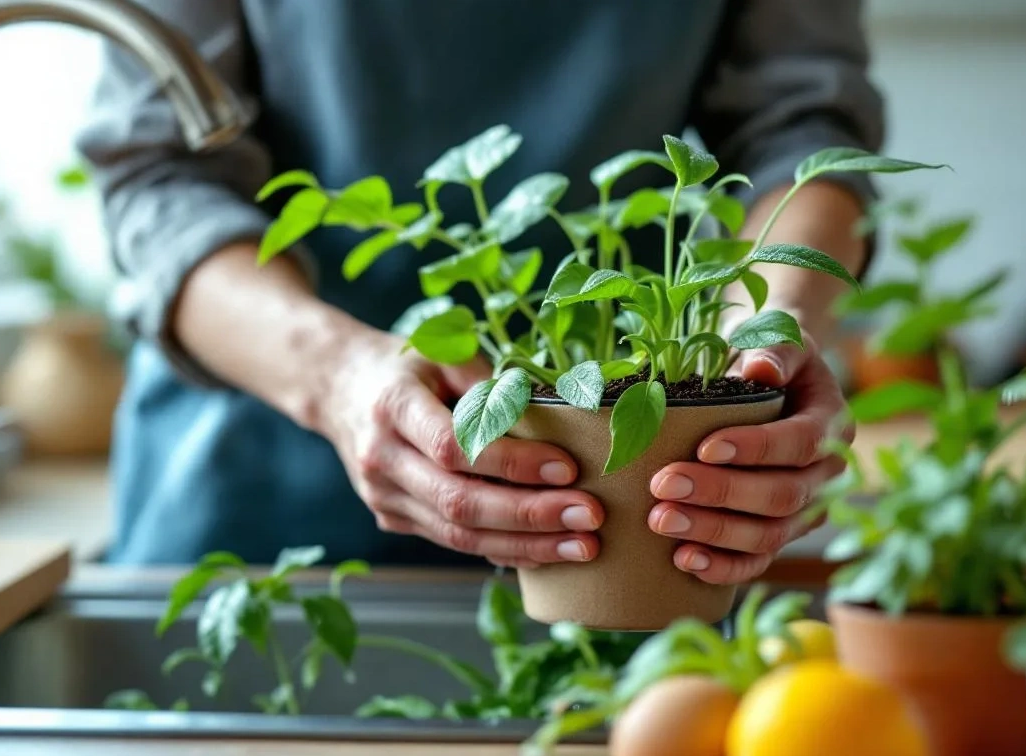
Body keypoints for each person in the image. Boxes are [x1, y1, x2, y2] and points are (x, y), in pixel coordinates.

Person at [75, 0, 881, 586]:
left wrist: (765, 337)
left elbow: (802, 127)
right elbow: (161, 173)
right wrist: (336, 376)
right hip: (252, 485)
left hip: (632, 505)